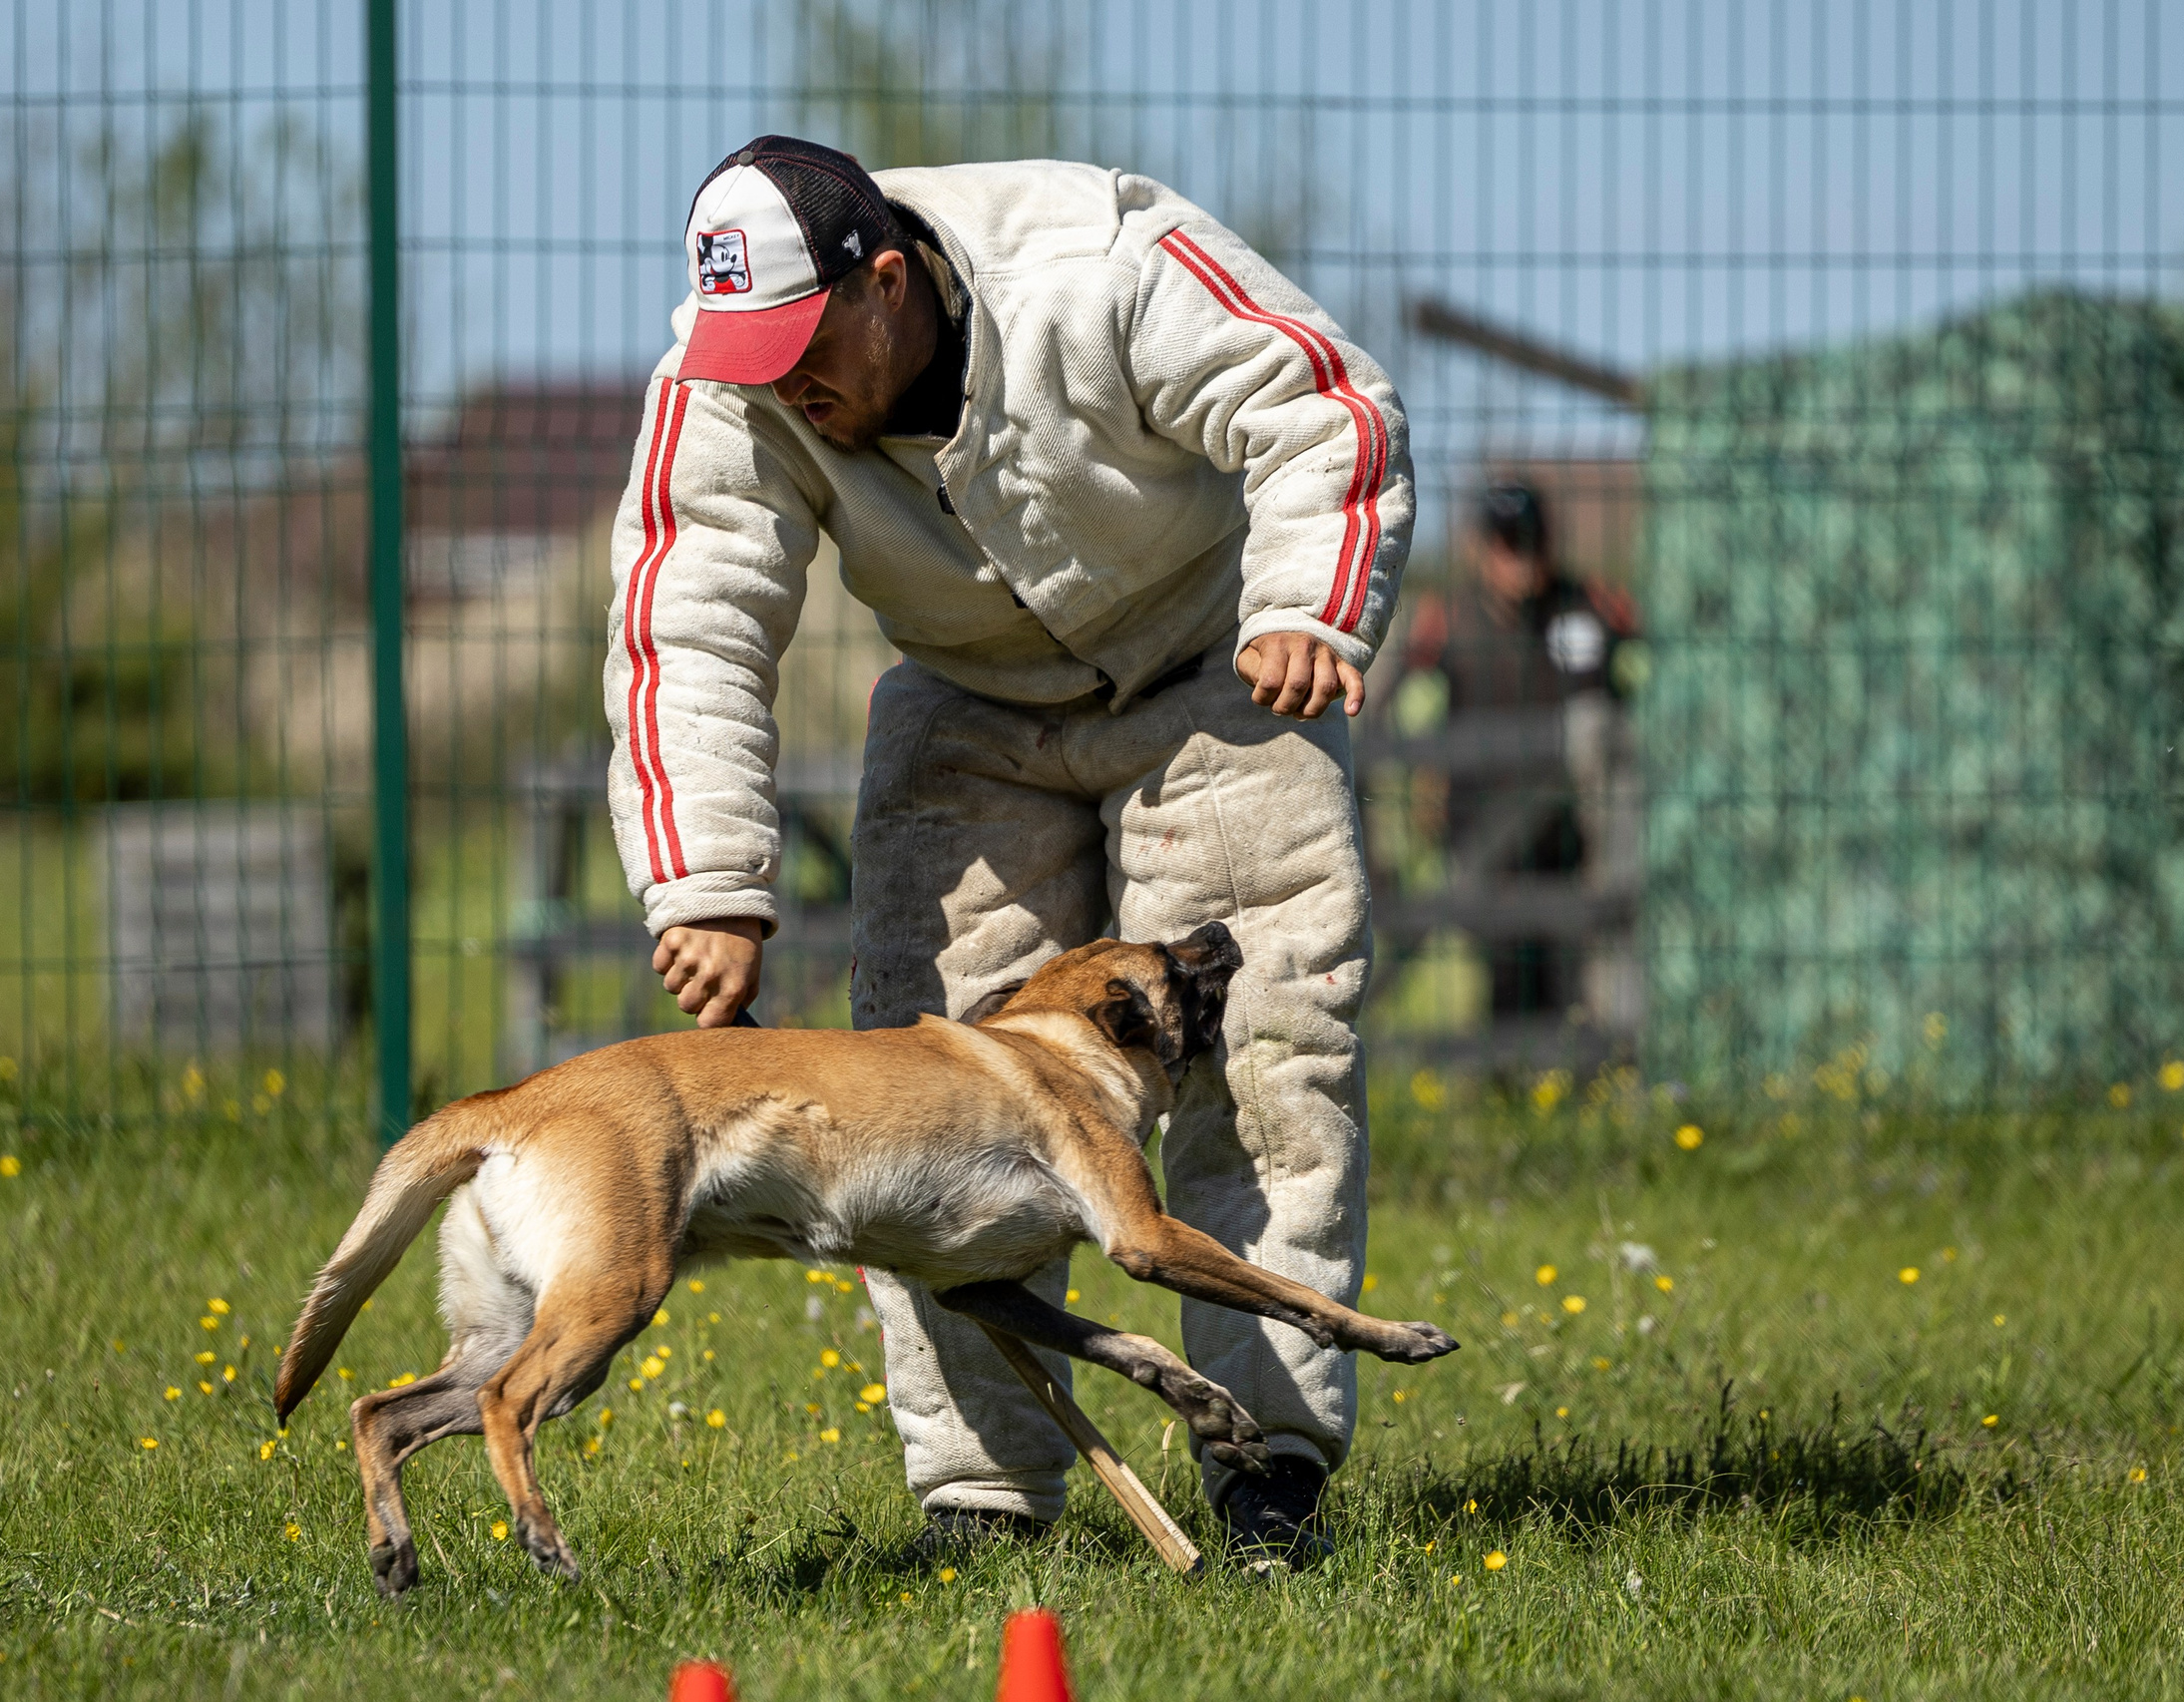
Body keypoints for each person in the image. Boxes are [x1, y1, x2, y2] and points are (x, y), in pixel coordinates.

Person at [601, 136, 1414, 1562]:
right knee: (912, 1093)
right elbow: (688, 609)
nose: (784, 381)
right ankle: (985, 1496)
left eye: (805, 344)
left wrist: (1305, 597)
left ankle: (1267, 1466)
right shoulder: (724, 381)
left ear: (890, 282)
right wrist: (711, 877)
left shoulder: (1093, 266)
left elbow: (1321, 394)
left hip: (1215, 662)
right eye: (752, 353)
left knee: (1269, 1047)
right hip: (964, 699)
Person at [1400, 481, 1638, 1019]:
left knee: (1576, 976)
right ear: (1483, 548)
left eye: (1530, 542)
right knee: (1505, 979)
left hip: (1576, 840)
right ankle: (1504, 1081)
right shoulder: (1448, 621)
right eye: (1507, 543)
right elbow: (1401, 720)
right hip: (1482, 839)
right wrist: (1423, 787)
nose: (1521, 560)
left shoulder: (1593, 606)